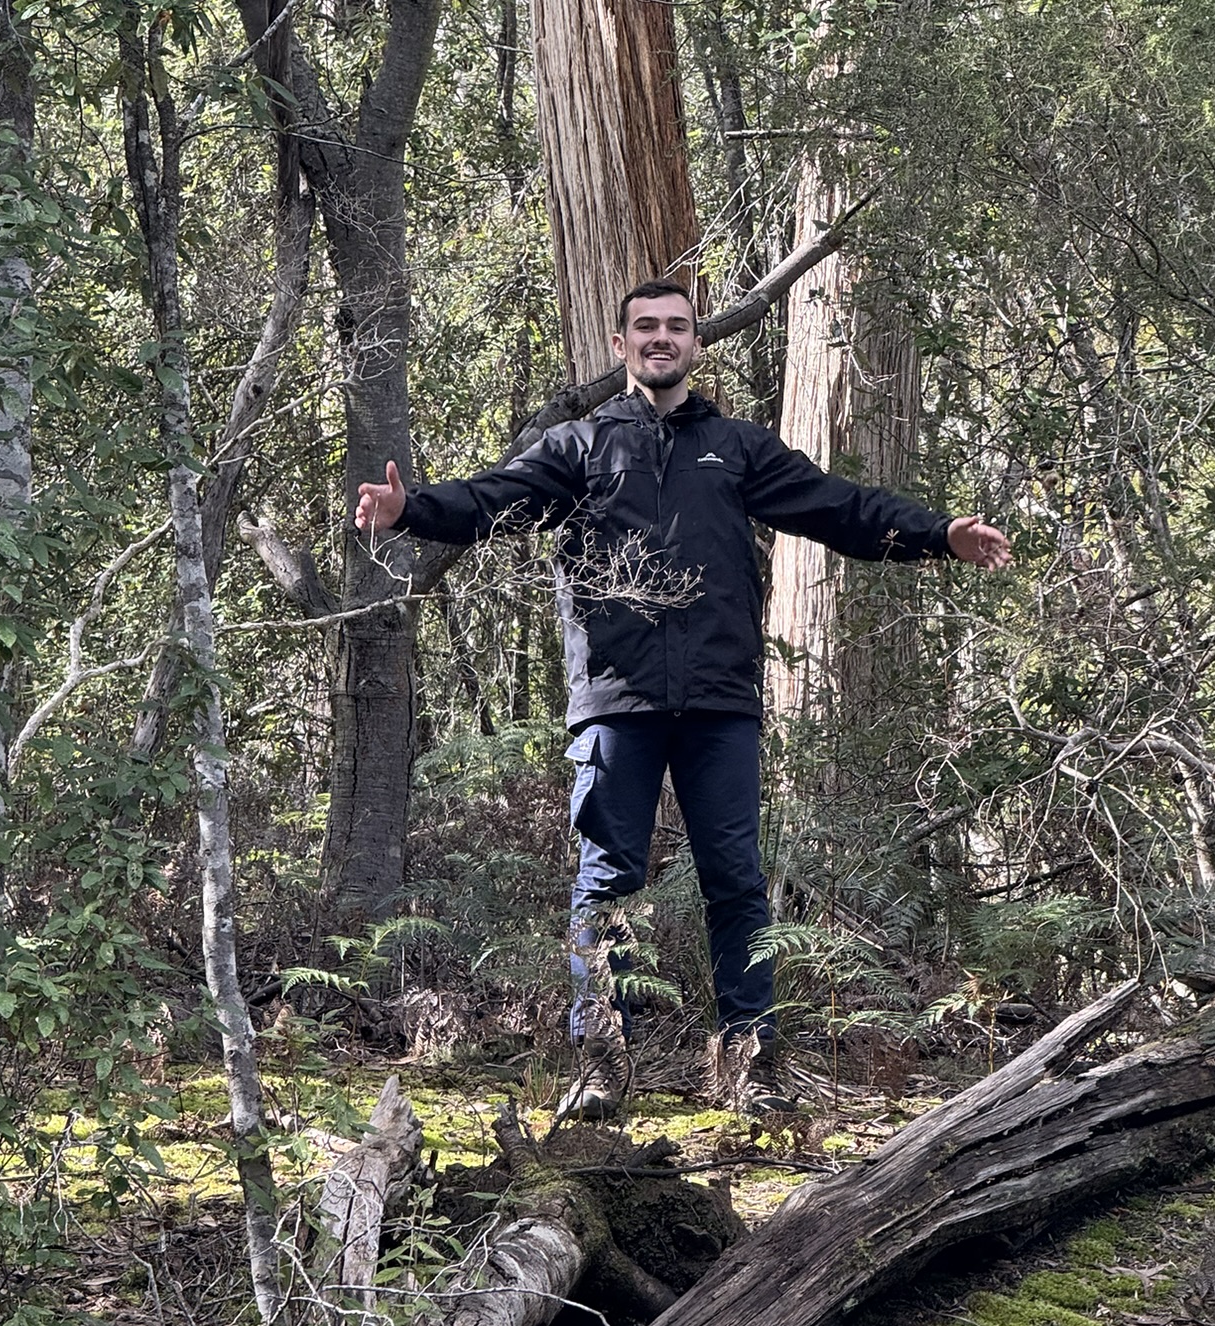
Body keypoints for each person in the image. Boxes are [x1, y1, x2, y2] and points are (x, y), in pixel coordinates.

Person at [357, 280, 1010, 1118]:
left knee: (736, 881)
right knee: (608, 881)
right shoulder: (580, 447)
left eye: (676, 327)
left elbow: (839, 506)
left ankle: (753, 1062)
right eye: (646, 327)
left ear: (696, 343)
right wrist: (412, 508)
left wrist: (938, 535)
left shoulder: (735, 448)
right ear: (621, 342)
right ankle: (603, 1062)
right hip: (615, 700)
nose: (661, 339)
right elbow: (494, 501)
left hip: (718, 700)